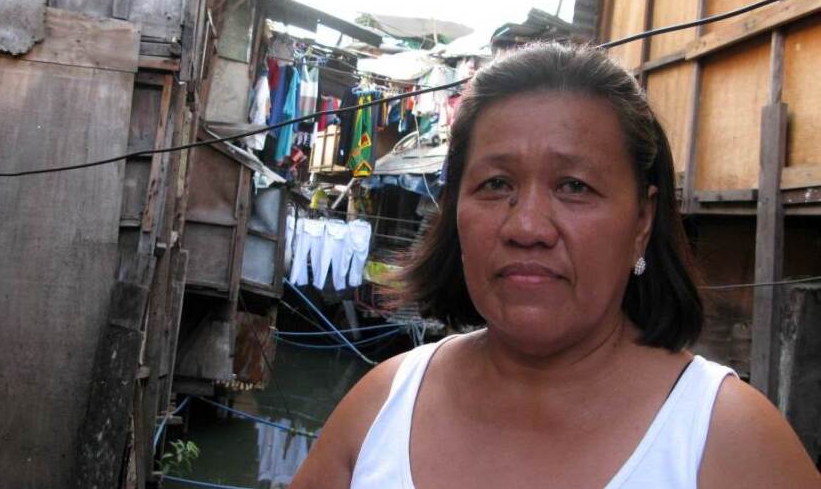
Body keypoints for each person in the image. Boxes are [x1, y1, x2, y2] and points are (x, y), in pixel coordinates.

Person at [290, 43, 820, 488]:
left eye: (574, 187)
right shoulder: (381, 407)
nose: (527, 228)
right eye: (496, 184)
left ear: (642, 219)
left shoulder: (728, 440)